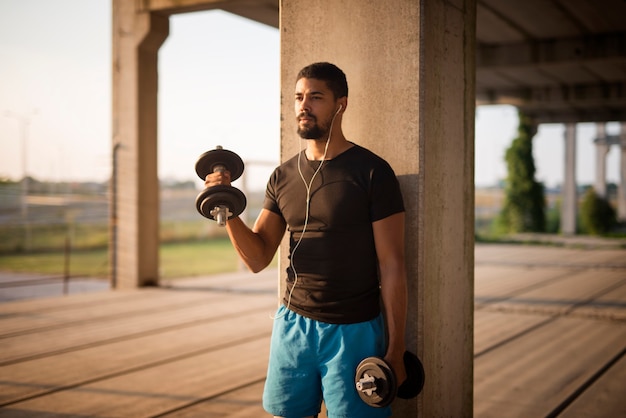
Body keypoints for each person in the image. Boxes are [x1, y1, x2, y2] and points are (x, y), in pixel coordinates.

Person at [204, 62, 408, 418]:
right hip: (292, 327)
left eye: (315, 97)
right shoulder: (282, 177)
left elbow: (392, 264)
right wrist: (227, 206)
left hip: (354, 331)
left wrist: (396, 348)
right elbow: (257, 257)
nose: (303, 106)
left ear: (340, 104)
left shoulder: (373, 171)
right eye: (299, 97)